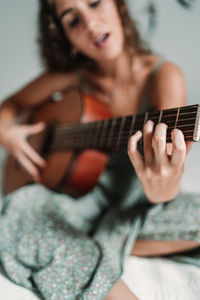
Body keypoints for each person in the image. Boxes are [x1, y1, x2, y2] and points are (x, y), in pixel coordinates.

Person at [0, 0, 199, 299]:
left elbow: (163, 192)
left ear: (118, 6)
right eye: (72, 20)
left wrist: (162, 184)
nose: (90, 24)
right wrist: (8, 136)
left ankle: (104, 238)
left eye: (94, 3)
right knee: (22, 209)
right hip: (77, 203)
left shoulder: (163, 75)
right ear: (66, 38)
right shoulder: (74, 77)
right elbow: (9, 106)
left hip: (141, 206)